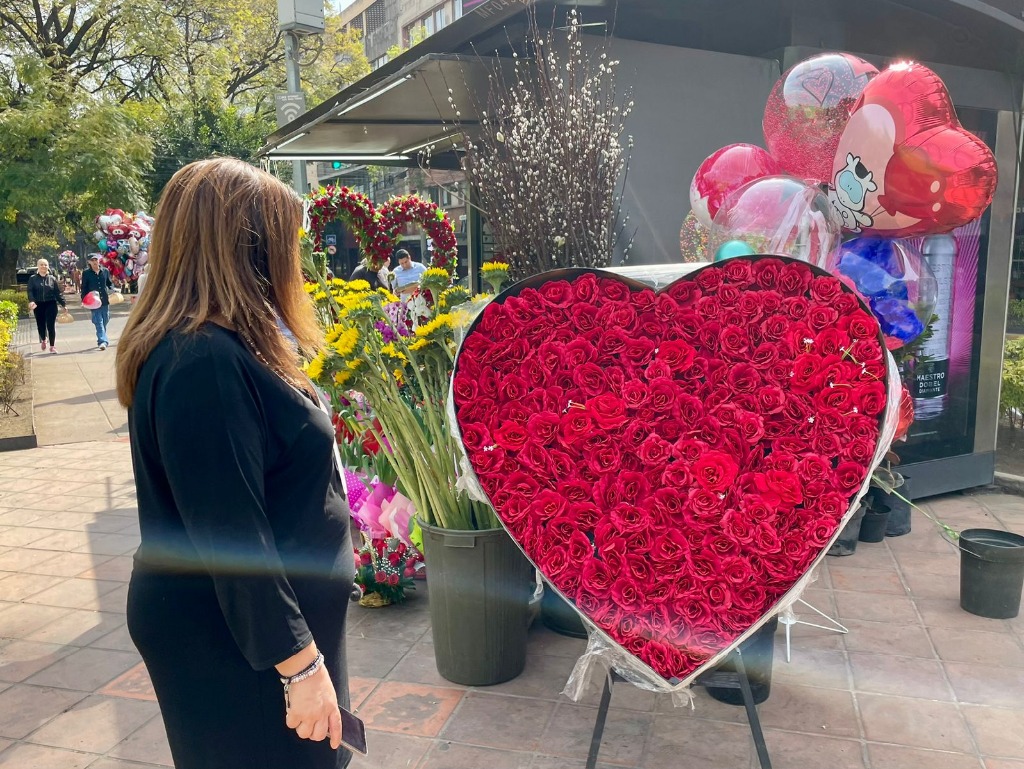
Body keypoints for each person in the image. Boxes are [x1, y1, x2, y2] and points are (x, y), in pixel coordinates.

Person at [114, 157, 354, 769]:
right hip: (240, 645)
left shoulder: (220, 346)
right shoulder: (204, 361)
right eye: (284, 244)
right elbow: (230, 534)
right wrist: (300, 666)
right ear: (245, 250)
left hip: (257, 637)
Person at [27, 258, 67, 354]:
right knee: (40, 325)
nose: (43, 266)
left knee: (51, 325)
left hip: (51, 304)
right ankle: (44, 339)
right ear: (38, 266)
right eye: (41, 265)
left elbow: (58, 293)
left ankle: (52, 346)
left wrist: (63, 304)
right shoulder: (33, 279)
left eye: (45, 265)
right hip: (38, 304)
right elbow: (30, 291)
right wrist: (32, 301)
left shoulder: (52, 279)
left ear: (48, 267)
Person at [81, 254, 114, 350]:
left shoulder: (105, 271)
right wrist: (83, 300)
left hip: (104, 300)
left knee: (105, 319)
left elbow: (109, 283)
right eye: (92, 260)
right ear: (89, 262)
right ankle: (102, 341)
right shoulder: (86, 273)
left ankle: (102, 335)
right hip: (93, 301)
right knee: (98, 322)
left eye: (96, 259)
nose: (95, 261)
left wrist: (112, 289)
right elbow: (84, 288)